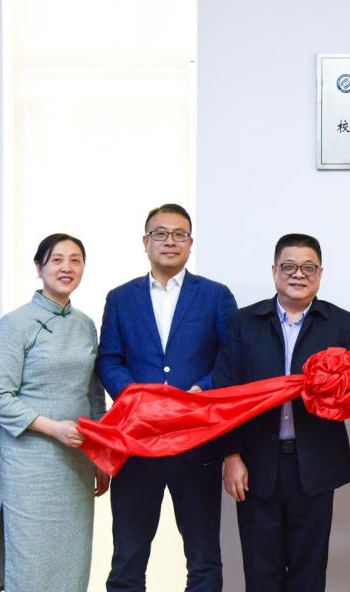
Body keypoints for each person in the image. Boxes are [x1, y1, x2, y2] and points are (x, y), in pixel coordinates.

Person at [97, 204, 237, 592]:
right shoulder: (121, 298)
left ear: (191, 243)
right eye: (160, 233)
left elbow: (230, 358)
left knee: (203, 557)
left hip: (196, 442)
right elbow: (109, 359)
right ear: (145, 242)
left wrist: (202, 391)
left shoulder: (215, 295)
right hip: (136, 442)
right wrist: (135, 397)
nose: (170, 241)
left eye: (179, 234)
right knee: (128, 557)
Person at [214, 233, 350, 592]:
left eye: (308, 267)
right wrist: (231, 455)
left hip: (315, 464)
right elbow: (225, 393)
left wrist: (326, 388)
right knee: (260, 572)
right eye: (289, 266)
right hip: (256, 463)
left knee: (309, 573)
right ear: (274, 271)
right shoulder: (245, 322)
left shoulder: (340, 323)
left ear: (320, 273)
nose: (298, 274)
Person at [0, 233, 108, 592]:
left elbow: (93, 394)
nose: (66, 268)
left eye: (75, 260)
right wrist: (53, 428)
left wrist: (102, 454)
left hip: (77, 462)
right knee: (30, 564)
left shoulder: (85, 324)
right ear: (39, 267)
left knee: (72, 561)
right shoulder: (15, 323)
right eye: (56, 260)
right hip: (29, 464)